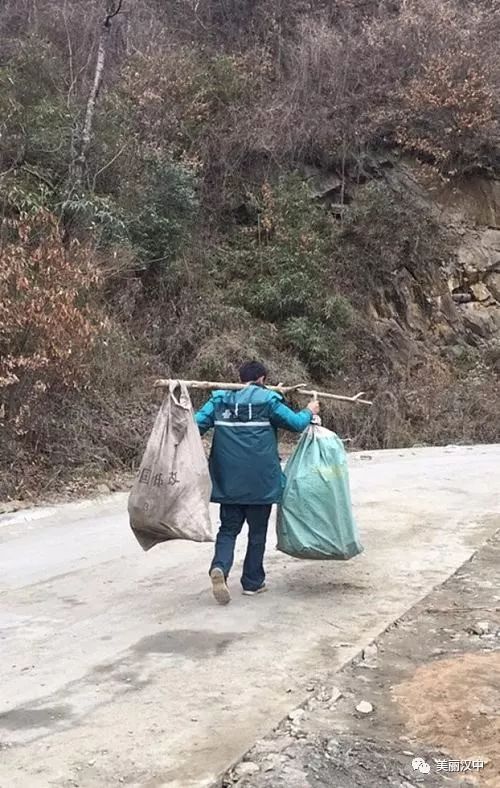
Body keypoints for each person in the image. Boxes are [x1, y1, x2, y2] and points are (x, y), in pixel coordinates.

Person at [195, 361, 320, 605]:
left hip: (228, 480)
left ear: (239, 378)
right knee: (257, 532)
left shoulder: (220, 400)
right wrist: (310, 410)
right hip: (261, 482)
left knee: (228, 529)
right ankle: (252, 583)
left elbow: (194, 426)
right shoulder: (268, 401)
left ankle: (219, 566)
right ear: (262, 378)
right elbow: (296, 424)